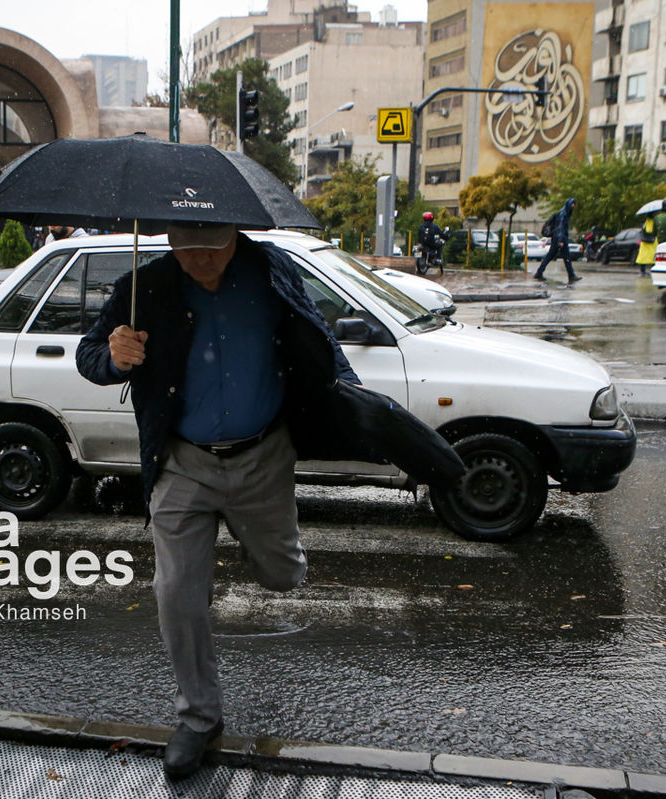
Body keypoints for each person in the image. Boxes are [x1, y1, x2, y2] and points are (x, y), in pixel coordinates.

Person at [75, 222, 461, 780]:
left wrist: (351, 400)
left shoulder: (271, 268)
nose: (201, 261)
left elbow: (318, 337)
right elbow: (89, 356)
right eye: (187, 249)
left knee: (283, 576)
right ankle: (200, 718)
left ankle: (246, 551)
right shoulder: (146, 285)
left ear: (235, 235)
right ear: (169, 242)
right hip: (183, 463)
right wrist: (114, 357)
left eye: (213, 248)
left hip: (264, 458)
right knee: (177, 593)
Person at [535, 198, 580, 283]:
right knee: (566, 257)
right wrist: (561, 240)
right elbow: (560, 228)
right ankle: (571, 275)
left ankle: (539, 272)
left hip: (558, 238)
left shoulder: (564, 213)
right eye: (572, 204)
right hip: (560, 238)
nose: (573, 206)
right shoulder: (563, 214)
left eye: (574, 204)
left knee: (551, 256)